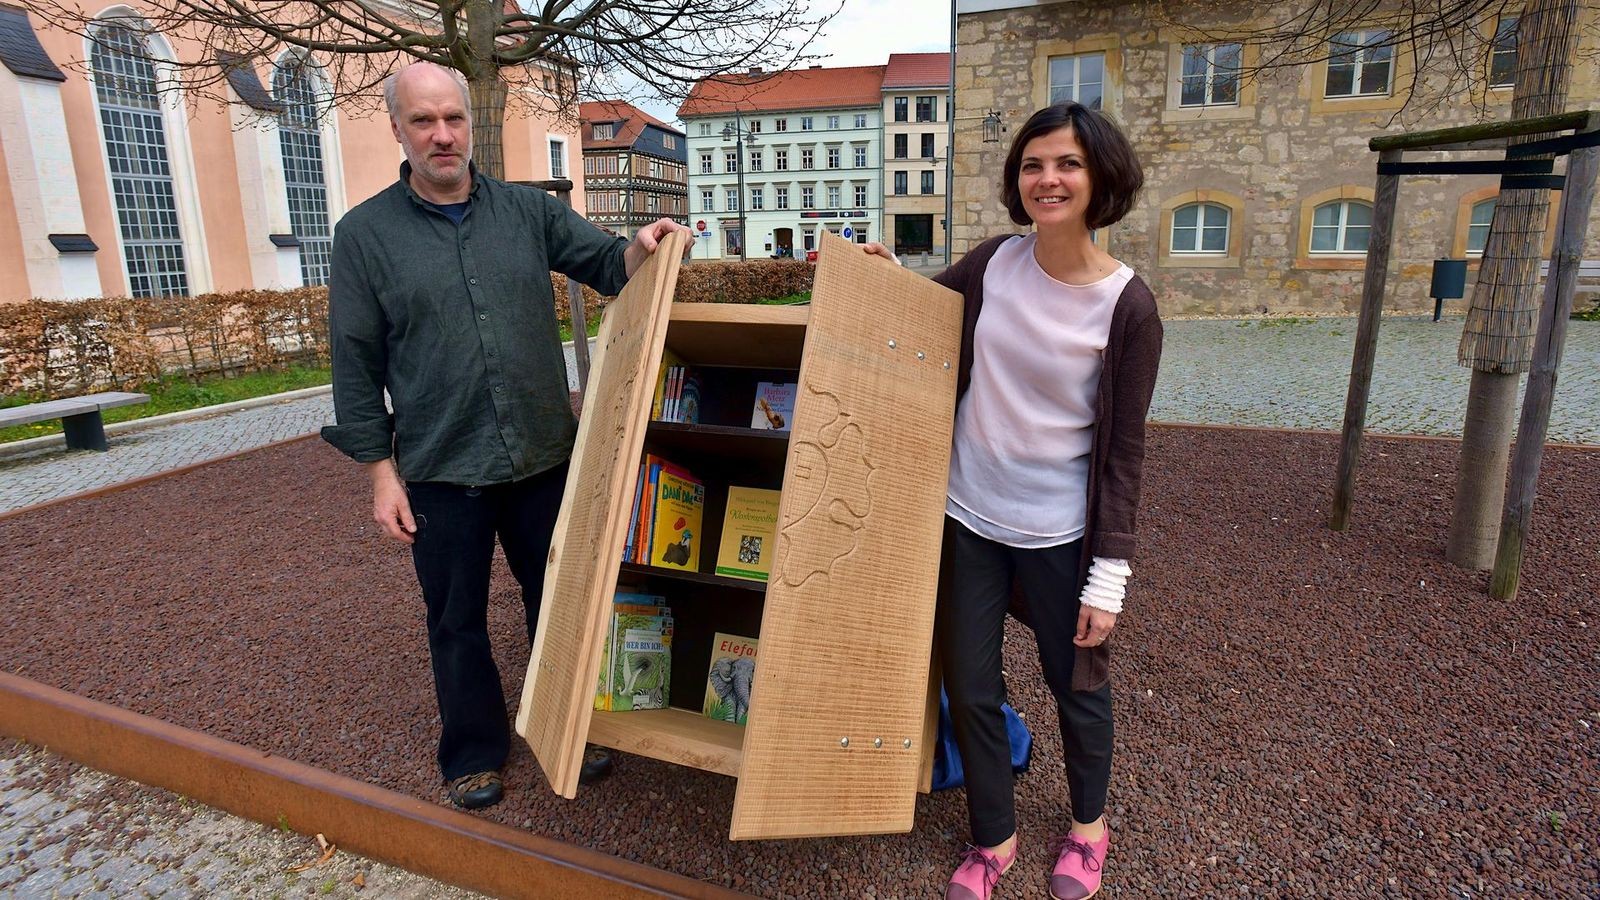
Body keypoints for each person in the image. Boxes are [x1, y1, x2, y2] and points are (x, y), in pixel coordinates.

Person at [321, 61, 690, 811]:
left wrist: (643, 243)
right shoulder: (365, 236)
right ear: (398, 129)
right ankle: (473, 752)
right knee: (455, 619)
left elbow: (607, 262)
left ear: (468, 121)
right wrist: (379, 475)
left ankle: (565, 727)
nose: (443, 134)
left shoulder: (528, 213)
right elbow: (354, 362)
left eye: (453, 118)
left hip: (542, 457)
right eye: (424, 121)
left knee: (557, 601)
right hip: (439, 466)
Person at [868, 101, 1160, 900]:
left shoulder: (1127, 306)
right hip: (968, 518)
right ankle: (993, 836)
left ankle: (1088, 831)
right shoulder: (995, 262)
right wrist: (879, 274)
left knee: (1078, 685)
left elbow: (1124, 453)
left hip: (1060, 531)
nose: (1048, 179)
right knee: (971, 684)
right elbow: (922, 318)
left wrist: (1110, 578)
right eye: (1033, 165)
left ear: (1099, 177)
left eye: (1066, 163)